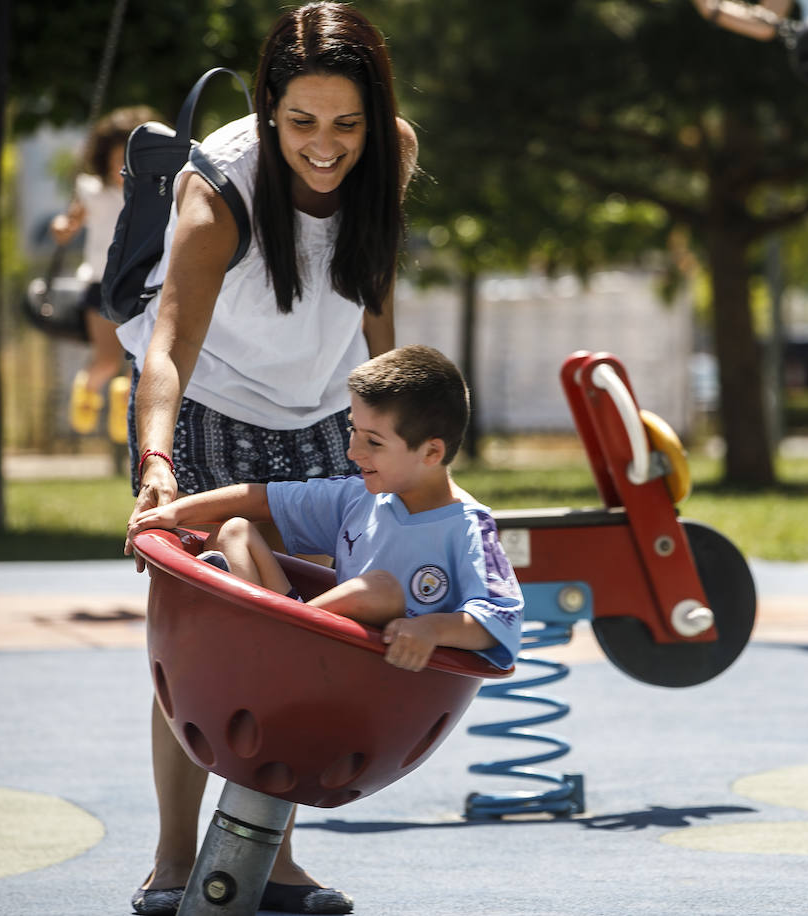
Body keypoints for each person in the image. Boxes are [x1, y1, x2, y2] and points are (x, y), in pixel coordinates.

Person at [116, 3, 418, 914]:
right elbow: (167, 345)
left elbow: (374, 294)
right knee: (200, 640)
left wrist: (388, 426)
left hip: (325, 412)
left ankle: (272, 858)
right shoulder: (222, 190)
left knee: (308, 638)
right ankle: (174, 859)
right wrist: (157, 462)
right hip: (211, 403)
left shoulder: (391, 154)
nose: (325, 146)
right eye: (301, 123)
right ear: (268, 108)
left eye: (345, 124)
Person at [127, 344, 523, 673]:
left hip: (378, 673)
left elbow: (502, 618)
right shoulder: (360, 496)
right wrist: (173, 513)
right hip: (315, 644)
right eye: (353, 429)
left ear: (431, 451)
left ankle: (268, 641)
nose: (353, 451)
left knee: (381, 589)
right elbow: (261, 498)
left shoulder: (469, 528)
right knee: (235, 530)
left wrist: (433, 629)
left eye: (374, 441)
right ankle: (270, 641)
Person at [49, 105, 160, 443]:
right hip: (101, 284)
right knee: (107, 360)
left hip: (143, 284)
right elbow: (68, 223)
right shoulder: (93, 192)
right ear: (104, 161)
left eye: (131, 163)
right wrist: (62, 227)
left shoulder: (153, 194)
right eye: (117, 164)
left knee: (141, 362)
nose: (123, 172)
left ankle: (123, 407)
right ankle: (88, 389)